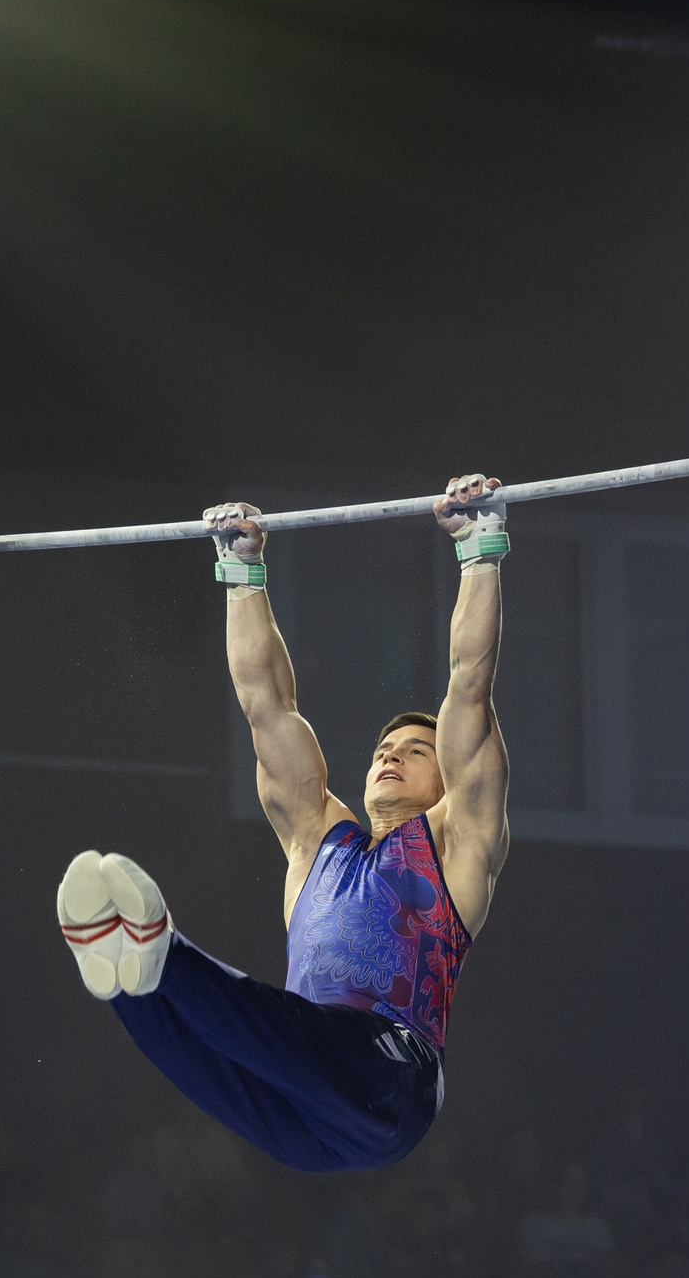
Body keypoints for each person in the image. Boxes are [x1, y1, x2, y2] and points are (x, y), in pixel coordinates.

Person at [54, 477, 512, 1172]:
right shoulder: (315, 840)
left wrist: (480, 551)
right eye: (384, 750)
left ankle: (151, 961)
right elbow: (266, 706)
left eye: (416, 751)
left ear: (447, 777)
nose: (391, 756)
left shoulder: (456, 844)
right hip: (312, 1100)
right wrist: (242, 572)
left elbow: (469, 685)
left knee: (235, 1035)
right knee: (200, 1028)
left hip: (389, 1077)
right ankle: (135, 970)